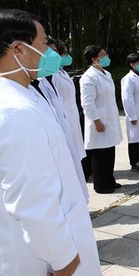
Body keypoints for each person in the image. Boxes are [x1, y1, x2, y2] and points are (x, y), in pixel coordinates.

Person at [0, 9, 107, 276]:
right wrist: (61, 255)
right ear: (18, 50)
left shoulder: (17, 93)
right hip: (39, 261)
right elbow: (31, 196)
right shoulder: (11, 110)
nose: (49, 52)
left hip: (29, 244)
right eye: (43, 44)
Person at [37, 39, 89, 202]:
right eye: (49, 51)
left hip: (70, 121)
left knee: (75, 168)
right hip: (57, 134)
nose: (54, 55)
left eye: (55, 51)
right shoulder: (40, 81)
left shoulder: (57, 74)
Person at [80, 45, 123, 194]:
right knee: (100, 154)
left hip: (109, 118)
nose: (106, 57)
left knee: (109, 151)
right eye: (103, 55)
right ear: (94, 59)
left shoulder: (106, 74)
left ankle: (109, 179)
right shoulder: (88, 77)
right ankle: (100, 185)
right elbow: (87, 103)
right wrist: (96, 121)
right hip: (99, 120)